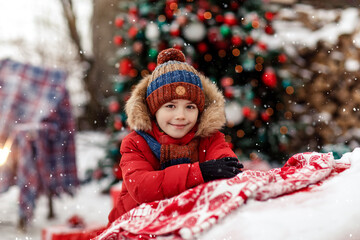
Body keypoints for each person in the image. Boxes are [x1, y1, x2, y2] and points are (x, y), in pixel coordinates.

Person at [108, 48, 243, 224]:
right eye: (170, 106)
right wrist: (199, 172)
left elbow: (230, 169)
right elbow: (142, 188)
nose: (181, 115)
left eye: (190, 107)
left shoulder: (209, 138)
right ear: (153, 109)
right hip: (135, 226)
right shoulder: (135, 143)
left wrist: (220, 170)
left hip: (187, 222)